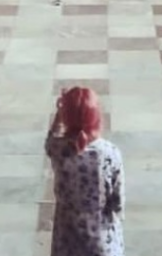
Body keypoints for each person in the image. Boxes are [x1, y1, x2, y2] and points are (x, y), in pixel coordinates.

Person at [45, 86, 124, 256]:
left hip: (66, 241)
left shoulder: (58, 149)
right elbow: (117, 201)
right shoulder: (109, 153)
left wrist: (59, 114)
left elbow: (50, 140)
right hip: (102, 242)